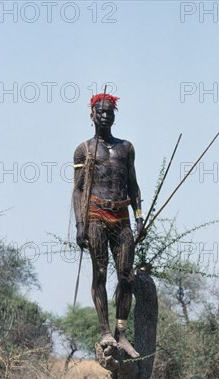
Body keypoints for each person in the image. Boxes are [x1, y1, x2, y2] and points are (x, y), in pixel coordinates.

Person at [73, 93, 143, 358]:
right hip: (95, 216)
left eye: (109, 110)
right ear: (92, 115)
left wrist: (139, 217)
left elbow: (133, 185)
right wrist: (80, 224)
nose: (104, 115)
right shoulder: (85, 150)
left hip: (122, 216)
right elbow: (78, 190)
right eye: (100, 111)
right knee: (100, 272)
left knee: (127, 276)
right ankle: (105, 332)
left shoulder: (126, 148)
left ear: (115, 114)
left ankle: (121, 333)